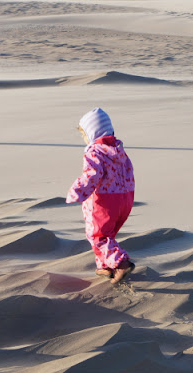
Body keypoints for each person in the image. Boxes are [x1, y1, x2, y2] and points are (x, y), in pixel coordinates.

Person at [66, 108, 135, 284]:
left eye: (85, 135)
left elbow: (92, 175)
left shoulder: (94, 151)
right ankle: (104, 266)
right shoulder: (119, 150)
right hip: (125, 199)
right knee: (107, 234)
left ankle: (121, 263)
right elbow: (129, 172)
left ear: (92, 132)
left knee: (98, 236)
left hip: (103, 201)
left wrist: (77, 190)